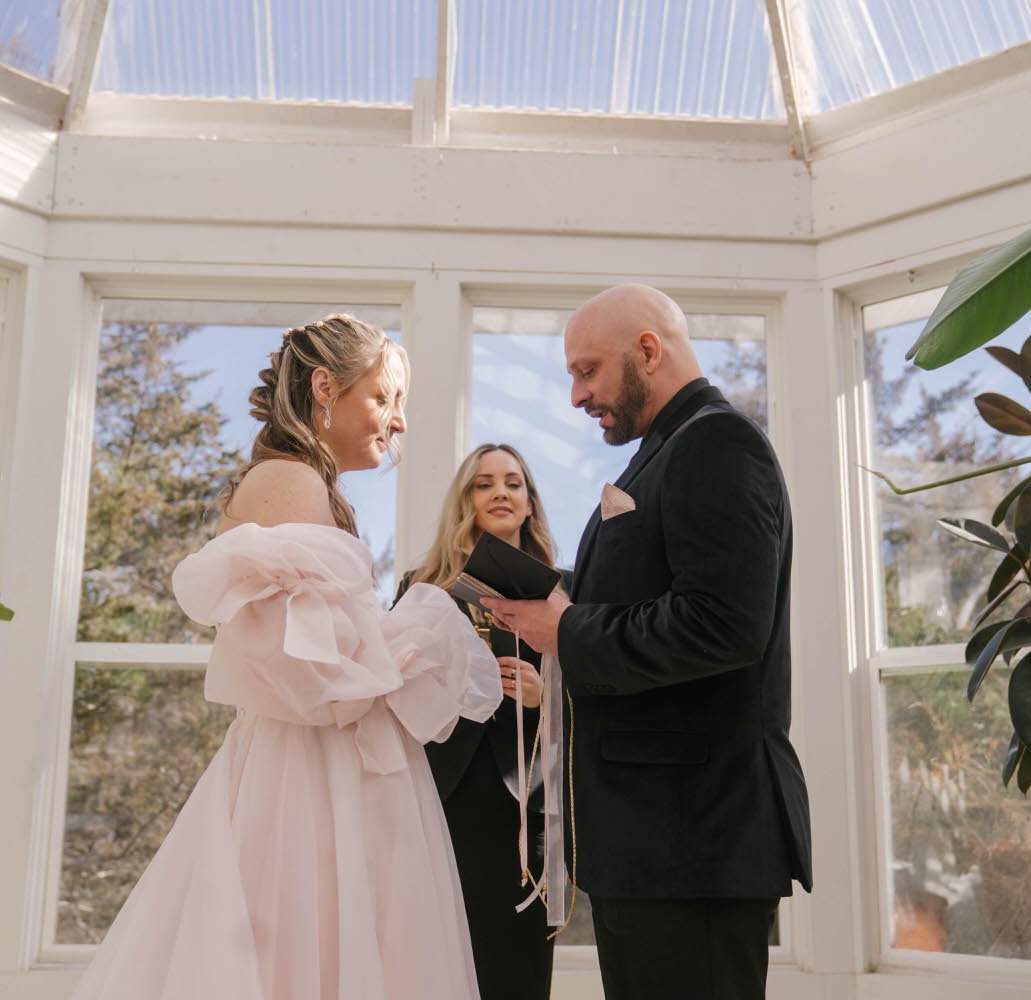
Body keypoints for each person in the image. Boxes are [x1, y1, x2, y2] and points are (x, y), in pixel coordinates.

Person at [73, 315, 502, 1000]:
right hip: (308, 774)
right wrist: (421, 635)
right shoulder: (290, 482)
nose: (398, 423)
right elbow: (319, 682)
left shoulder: (311, 487)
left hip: (326, 763)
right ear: (326, 387)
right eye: (386, 398)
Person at [482, 285, 811, 1000]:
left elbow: (723, 625)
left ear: (649, 352)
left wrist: (565, 629)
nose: (574, 395)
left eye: (587, 370)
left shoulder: (718, 443)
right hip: (651, 849)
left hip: (693, 844)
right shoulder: (665, 451)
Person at [395, 444, 565, 1000]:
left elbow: (602, 692)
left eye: (513, 483)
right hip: (443, 795)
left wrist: (546, 697)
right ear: (465, 499)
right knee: (438, 961)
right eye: (483, 483)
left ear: (530, 503)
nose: (499, 493)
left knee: (517, 966)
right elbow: (395, 692)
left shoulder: (565, 591)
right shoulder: (422, 587)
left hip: (526, 802)